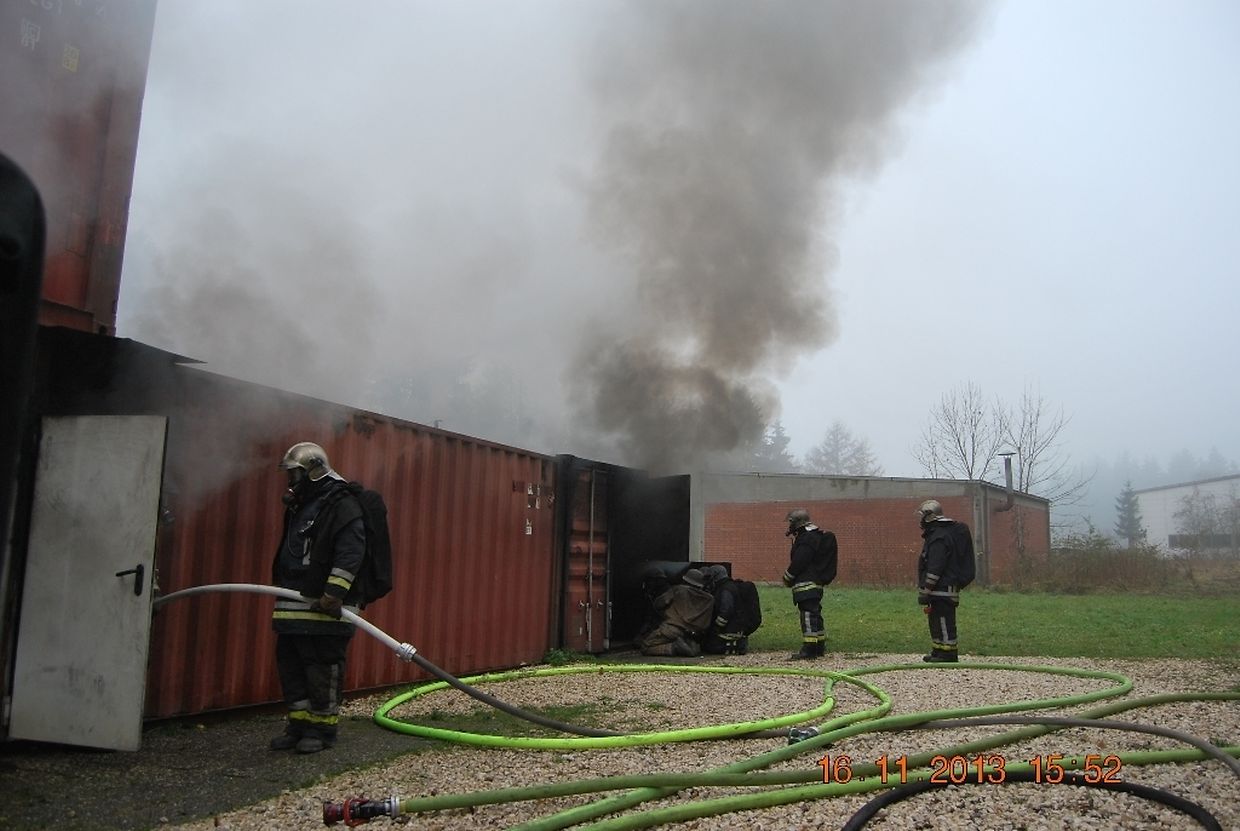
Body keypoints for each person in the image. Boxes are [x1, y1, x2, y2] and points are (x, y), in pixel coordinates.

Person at [269, 441, 367, 753]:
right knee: (291, 667)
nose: (290, 481)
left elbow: (351, 551)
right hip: (292, 608)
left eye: (294, 474)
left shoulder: (341, 503)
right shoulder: (303, 506)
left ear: (313, 471)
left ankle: (322, 730)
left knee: (321, 668)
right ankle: (298, 725)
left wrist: (332, 594)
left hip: (325, 609)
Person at [916, 499, 974, 663]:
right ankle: (938, 650)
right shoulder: (937, 533)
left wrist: (926, 590)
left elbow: (936, 566)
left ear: (929, 516)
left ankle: (948, 653)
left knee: (943, 620)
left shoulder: (939, 537)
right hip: (939, 589)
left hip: (942, 589)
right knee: (935, 621)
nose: (920, 521)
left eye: (922, 516)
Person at [782, 508, 838, 660]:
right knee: (815, 614)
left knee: (807, 614)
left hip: (806, 584)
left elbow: (800, 561)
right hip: (815, 583)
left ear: (797, 523)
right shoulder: (814, 536)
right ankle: (819, 646)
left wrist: (787, 576)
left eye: (791, 523)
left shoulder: (806, 539)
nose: (789, 526)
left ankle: (809, 649)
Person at [638, 568, 715, 657]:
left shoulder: (678, 589)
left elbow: (660, 603)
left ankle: (674, 648)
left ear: (685, 580)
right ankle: (687, 647)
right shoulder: (708, 598)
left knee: (646, 646)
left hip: (673, 628)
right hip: (692, 633)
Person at [701, 565, 749, 655]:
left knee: (705, 646)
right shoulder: (728, 586)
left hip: (728, 631)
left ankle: (732, 646)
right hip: (733, 629)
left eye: (710, 578)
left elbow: (726, 611)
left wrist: (716, 628)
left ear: (716, 576)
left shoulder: (725, 590)